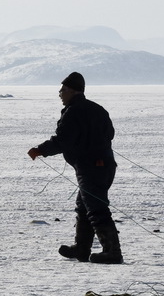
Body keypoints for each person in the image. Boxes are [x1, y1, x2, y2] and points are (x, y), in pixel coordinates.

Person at [27, 71, 122, 264]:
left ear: (72, 91)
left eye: (62, 90)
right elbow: (110, 133)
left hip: (91, 168)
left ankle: (112, 252)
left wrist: (40, 150)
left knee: (96, 209)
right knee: (84, 206)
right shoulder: (97, 109)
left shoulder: (74, 112)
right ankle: (81, 249)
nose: (60, 94)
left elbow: (62, 141)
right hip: (106, 166)